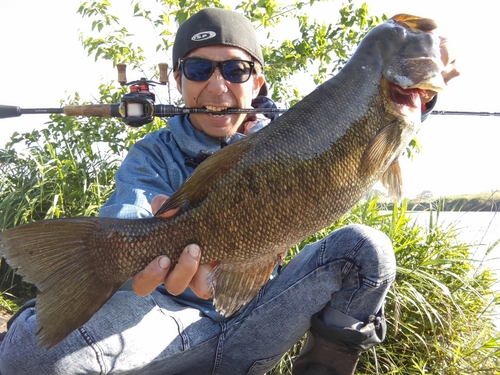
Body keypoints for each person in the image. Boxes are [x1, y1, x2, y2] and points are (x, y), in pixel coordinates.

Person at [0, 8, 459, 375]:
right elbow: (131, 209)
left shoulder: (294, 131)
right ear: (177, 81)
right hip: (160, 324)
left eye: (236, 70)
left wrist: (425, 94)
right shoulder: (150, 156)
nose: (217, 86)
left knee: (368, 248)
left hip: (259, 320)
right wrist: (137, 250)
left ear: (257, 82)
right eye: (199, 69)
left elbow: (365, 126)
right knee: (28, 356)